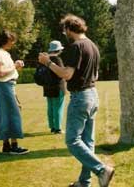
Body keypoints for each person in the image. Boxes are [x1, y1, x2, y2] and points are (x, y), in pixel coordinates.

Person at [38, 14, 114, 187]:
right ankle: (84, 182)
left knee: (72, 140)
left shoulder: (76, 46)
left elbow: (67, 74)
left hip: (81, 97)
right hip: (93, 95)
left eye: (64, 30)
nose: (64, 34)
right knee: (88, 142)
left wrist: (48, 62)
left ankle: (102, 170)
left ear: (68, 29)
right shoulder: (93, 46)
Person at [0, 30, 29, 155]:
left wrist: (14, 65)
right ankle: (14, 146)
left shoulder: (3, 53)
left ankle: (6, 145)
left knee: (8, 114)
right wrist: (15, 66)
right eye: (11, 41)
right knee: (13, 114)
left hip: (8, 86)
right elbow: (1, 72)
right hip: (5, 86)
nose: (13, 43)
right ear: (5, 41)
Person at [44, 40, 67, 134]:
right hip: (57, 87)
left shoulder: (45, 59)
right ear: (58, 50)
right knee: (58, 107)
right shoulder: (57, 60)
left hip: (47, 86)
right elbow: (62, 73)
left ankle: (52, 127)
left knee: (50, 107)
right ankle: (58, 128)